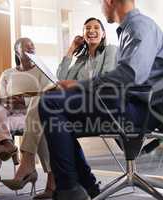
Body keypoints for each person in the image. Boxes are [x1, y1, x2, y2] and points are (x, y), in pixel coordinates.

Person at [38, 0, 163, 199]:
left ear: (109, 1)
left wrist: (79, 86)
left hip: (137, 110)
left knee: (51, 104)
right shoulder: (133, 29)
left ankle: (69, 189)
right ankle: (86, 186)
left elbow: (129, 76)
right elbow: (65, 76)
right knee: (59, 120)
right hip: (132, 105)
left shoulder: (139, 27)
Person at [12, 17, 117, 199]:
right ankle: (89, 185)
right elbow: (59, 78)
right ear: (83, 34)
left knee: (46, 107)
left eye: (96, 28)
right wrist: (71, 49)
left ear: (103, 33)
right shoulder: (81, 59)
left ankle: (28, 162)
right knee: (52, 117)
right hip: (77, 106)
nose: (91, 31)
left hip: (100, 105)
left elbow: (106, 78)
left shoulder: (110, 50)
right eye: (87, 28)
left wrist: (74, 83)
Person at [0, 37, 52, 198]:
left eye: (33, 47)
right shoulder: (7, 73)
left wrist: (23, 100)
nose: (31, 50)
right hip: (10, 115)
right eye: (26, 48)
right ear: (17, 52)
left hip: (31, 115)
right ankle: (8, 144)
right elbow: (2, 99)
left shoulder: (42, 71)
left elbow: (47, 97)